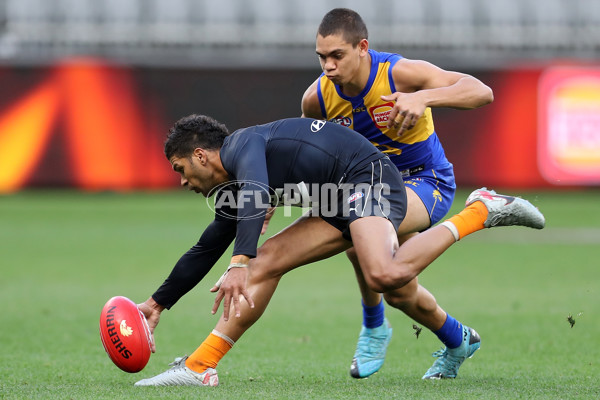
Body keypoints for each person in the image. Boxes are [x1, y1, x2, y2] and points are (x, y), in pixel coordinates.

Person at [133, 114, 544, 387]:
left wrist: (240, 261)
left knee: (384, 276)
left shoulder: (243, 147)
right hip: (337, 199)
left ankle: (481, 210)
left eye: (180, 168)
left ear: (200, 155)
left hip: (370, 179)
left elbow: (258, 189)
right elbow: (206, 247)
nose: (183, 181)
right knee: (271, 260)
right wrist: (157, 304)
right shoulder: (234, 182)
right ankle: (201, 366)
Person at [260, 8, 495, 379]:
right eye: (322, 57)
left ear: (362, 47)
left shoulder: (398, 74)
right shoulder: (316, 99)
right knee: (400, 292)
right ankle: (459, 339)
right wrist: (274, 193)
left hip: (426, 181)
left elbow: (481, 92)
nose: (328, 66)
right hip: (369, 186)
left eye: (337, 56)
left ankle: (372, 325)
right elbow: (307, 154)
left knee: (359, 226)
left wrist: (425, 98)